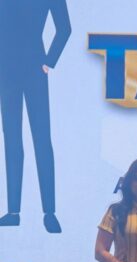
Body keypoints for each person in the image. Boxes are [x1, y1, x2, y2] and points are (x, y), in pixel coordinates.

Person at [0, 0, 71, 232]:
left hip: (34, 67)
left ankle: (49, 212)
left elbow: (65, 28)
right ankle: (13, 211)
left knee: (41, 139)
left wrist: (49, 61)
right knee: (12, 139)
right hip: (6, 70)